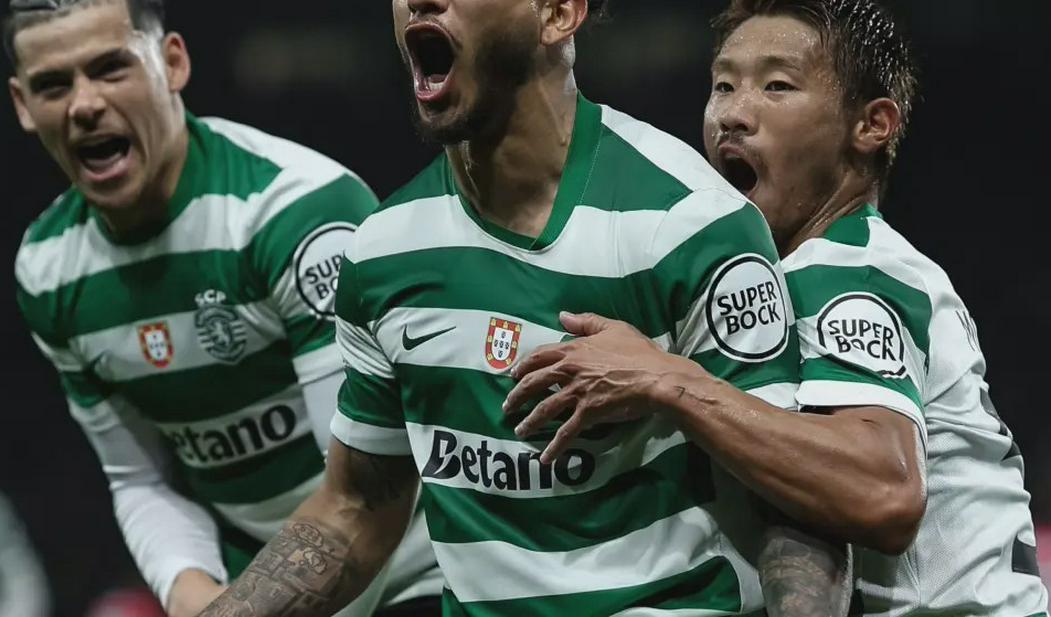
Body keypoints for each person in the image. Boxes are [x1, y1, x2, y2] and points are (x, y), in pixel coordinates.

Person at [199, 0, 804, 615]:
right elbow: (357, 507)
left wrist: (672, 386)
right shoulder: (384, 252)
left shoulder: (690, 222)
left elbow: (791, 500)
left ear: (557, 13)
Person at [504, 1, 1051, 616]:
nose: (733, 114)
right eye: (723, 85)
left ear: (871, 125)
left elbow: (884, 493)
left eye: (777, 86)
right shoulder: (802, 271)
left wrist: (667, 382)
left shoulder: (848, 271)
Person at [5, 1, 440, 615]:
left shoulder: (295, 213)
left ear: (172, 63)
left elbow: (368, 497)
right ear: (23, 105)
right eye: (54, 85)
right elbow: (139, 479)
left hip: (418, 567)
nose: (84, 105)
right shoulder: (48, 271)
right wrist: (193, 595)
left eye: (110, 68)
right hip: (253, 586)